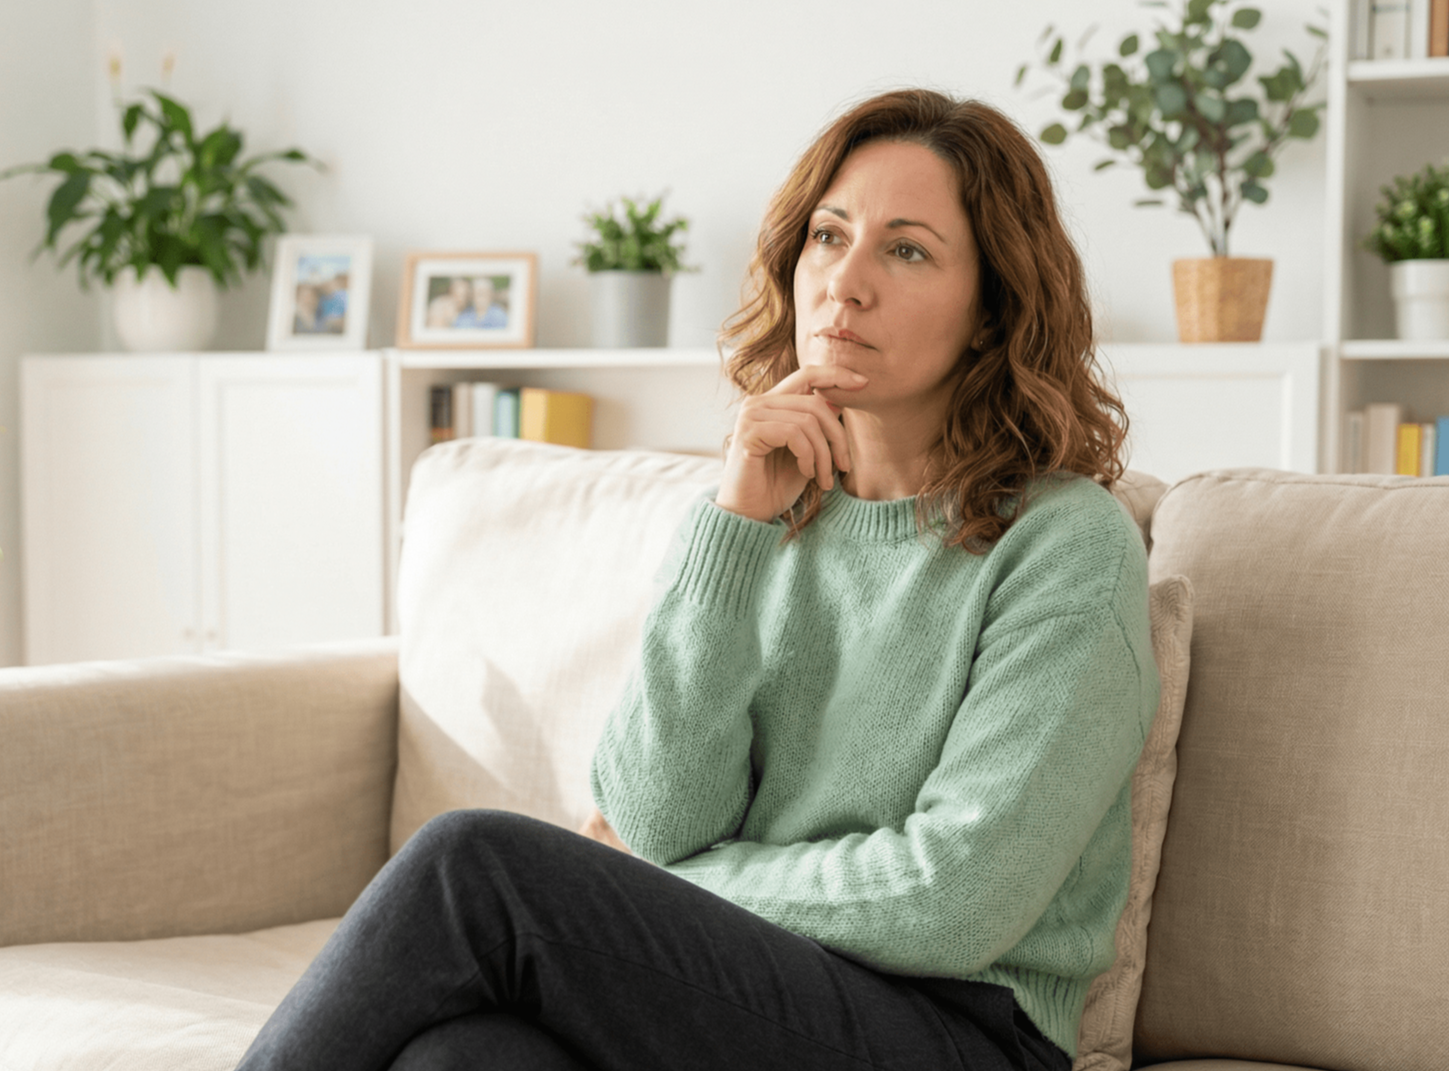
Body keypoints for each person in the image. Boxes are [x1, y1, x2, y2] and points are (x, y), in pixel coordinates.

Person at [235, 87, 1157, 1071]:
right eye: (828, 236)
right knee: (465, 1058)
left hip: (957, 1034)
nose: (844, 283)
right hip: (755, 991)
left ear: (991, 311)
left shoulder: (1067, 547)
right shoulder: (762, 519)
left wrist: (674, 881)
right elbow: (658, 818)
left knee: (475, 866)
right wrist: (735, 529)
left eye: (908, 249)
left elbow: (952, 899)